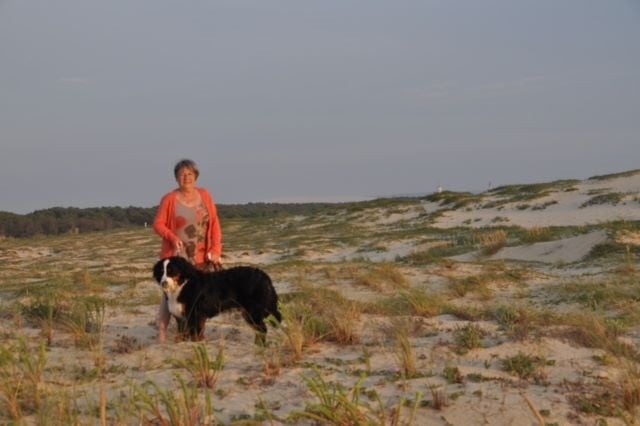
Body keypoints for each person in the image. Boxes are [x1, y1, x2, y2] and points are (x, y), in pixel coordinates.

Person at [153, 158, 223, 343]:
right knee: (171, 296)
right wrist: (172, 237)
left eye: (190, 174)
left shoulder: (205, 195)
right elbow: (158, 224)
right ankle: (166, 332)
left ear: (196, 176)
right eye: (182, 174)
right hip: (177, 257)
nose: (186, 177)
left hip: (202, 256)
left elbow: (215, 224)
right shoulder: (169, 199)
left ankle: (197, 333)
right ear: (176, 177)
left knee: (198, 297)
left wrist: (216, 249)